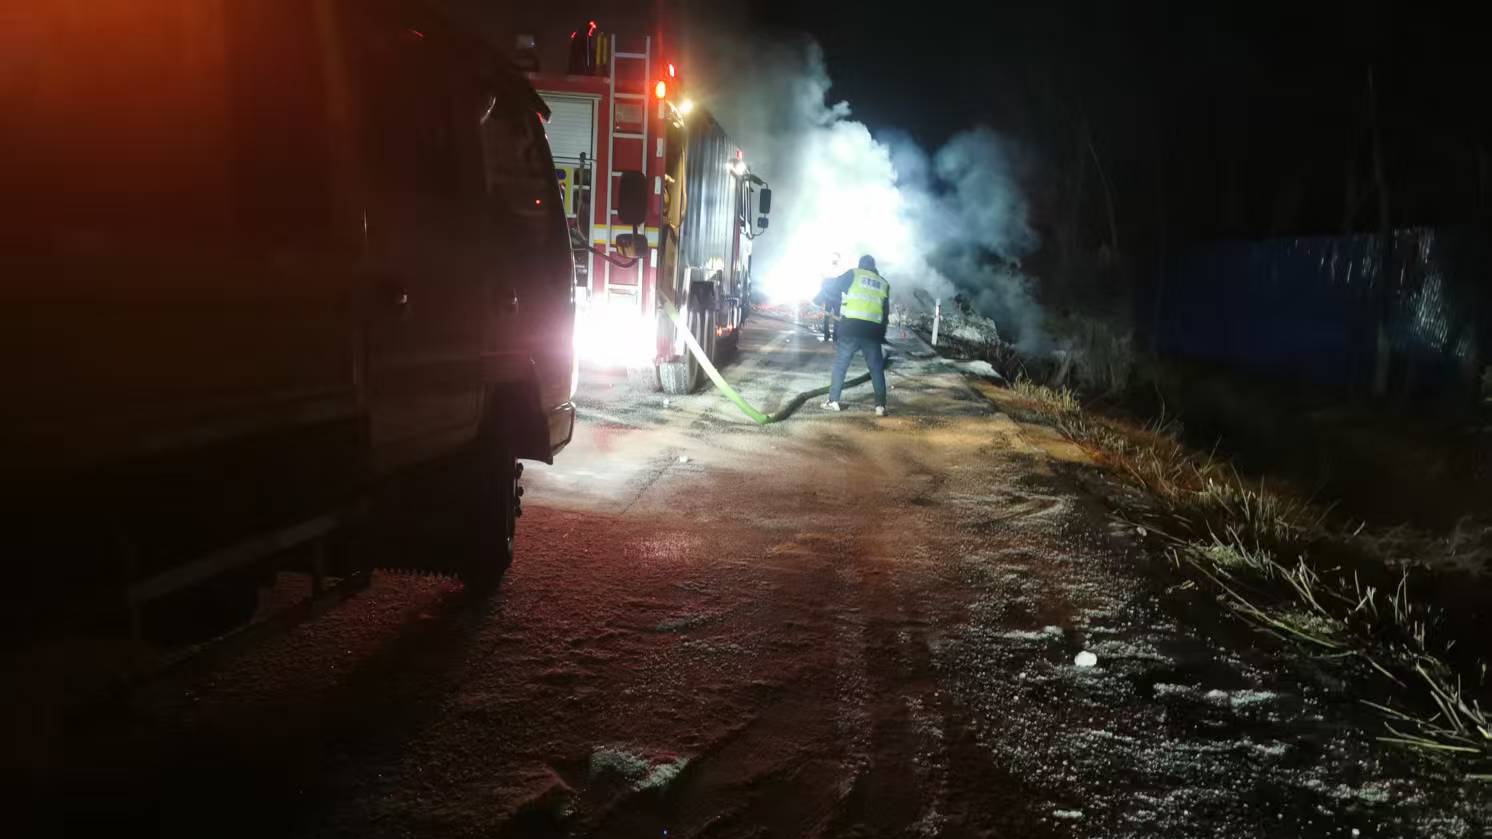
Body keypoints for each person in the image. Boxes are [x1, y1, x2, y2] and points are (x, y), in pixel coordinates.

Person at [821, 255, 890, 416]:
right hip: (872, 332)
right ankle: (880, 406)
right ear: (874, 267)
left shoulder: (854, 274)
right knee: (876, 369)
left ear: (860, 265)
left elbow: (833, 287)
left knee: (841, 365)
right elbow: (885, 314)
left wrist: (835, 299)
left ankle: (833, 401)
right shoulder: (883, 283)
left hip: (851, 329)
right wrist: (881, 334)